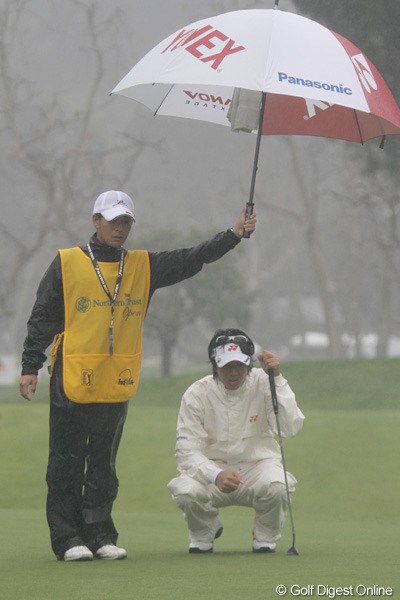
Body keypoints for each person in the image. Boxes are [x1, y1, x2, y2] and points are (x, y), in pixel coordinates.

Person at [19, 190, 256, 562]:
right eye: (113, 221)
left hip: (115, 381)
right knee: (65, 460)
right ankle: (67, 538)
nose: (120, 228)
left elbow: (191, 259)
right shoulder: (66, 262)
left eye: (126, 221)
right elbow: (43, 314)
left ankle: (99, 534)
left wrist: (233, 234)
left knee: (103, 464)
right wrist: (30, 365)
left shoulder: (142, 266)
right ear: (96, 221)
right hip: (73, 378)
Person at [167, 328, 304, 554]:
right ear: (215, 365)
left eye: (239, 365)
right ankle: (205, 530)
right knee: (185, 491)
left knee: (279, 486)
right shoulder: (196, 394)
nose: (233, 373)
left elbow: (290, 428)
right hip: (211, 471)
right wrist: (215, 474)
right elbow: (186, 450)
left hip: (257, 466)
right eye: (226, 366)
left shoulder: (266, 382)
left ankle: (265, 535)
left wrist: (277, 379)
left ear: (249, 364)